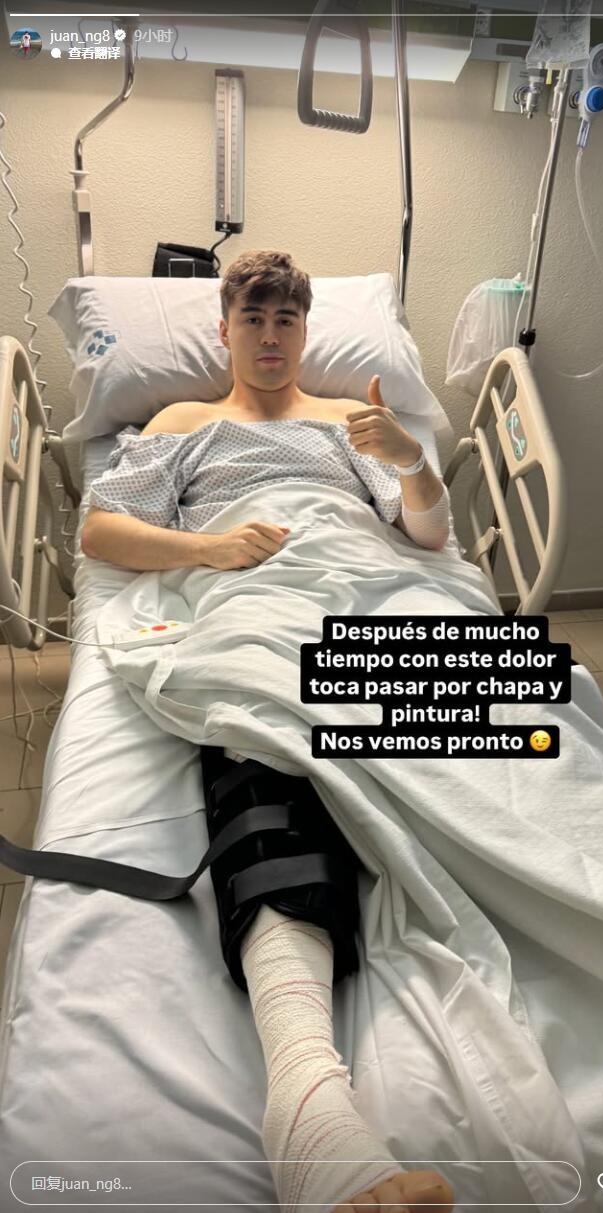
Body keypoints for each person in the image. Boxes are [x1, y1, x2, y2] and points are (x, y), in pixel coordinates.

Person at [81, 250, 456, 1213]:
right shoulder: (181, 423)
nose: (272, 335)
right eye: (254, 318)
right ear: (224, 331)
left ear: (306, 331)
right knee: (265, 731)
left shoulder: (350, 422)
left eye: (287, 318)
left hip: (372, 589)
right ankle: (311, 1110)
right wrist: (211, 548)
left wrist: (410, 460)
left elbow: (427, 538)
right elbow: (102, 533)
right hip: (256, 596)